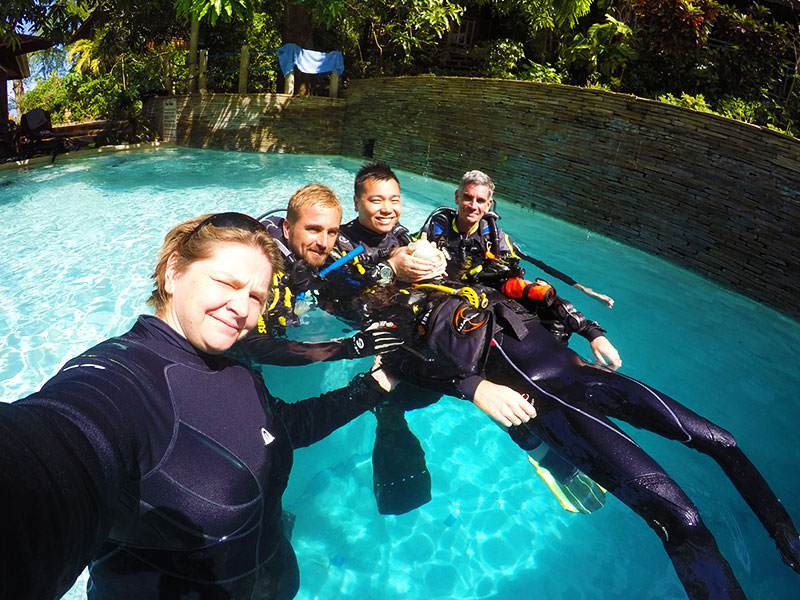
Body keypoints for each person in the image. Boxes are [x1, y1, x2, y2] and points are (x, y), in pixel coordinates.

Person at [0, 212, 394, 600]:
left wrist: (372, 387)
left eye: (256, 296)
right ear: (174, 272)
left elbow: (286, 426)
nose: (242, 308)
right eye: (226, 283)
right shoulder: (121, 379)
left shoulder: (236, 372)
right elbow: (55, 447)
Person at [229, 183, 403, 366]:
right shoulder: (259, 268)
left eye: (332, 232)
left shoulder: (310, 256)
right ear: (287, 229)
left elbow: (348, 287)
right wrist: (350, 348)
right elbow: (258, 348)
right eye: (313, 229)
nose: (324, 243)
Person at [420, 169, 615, 308]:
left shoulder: (495, 238)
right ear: (456, 197)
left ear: (488, 205)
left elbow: (535, 263)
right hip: (439, 290)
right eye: (467, 197)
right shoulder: (437, 228)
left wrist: (584, 289)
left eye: (480, 201)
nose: (472, 205)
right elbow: (407, 248)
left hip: (477, 294)